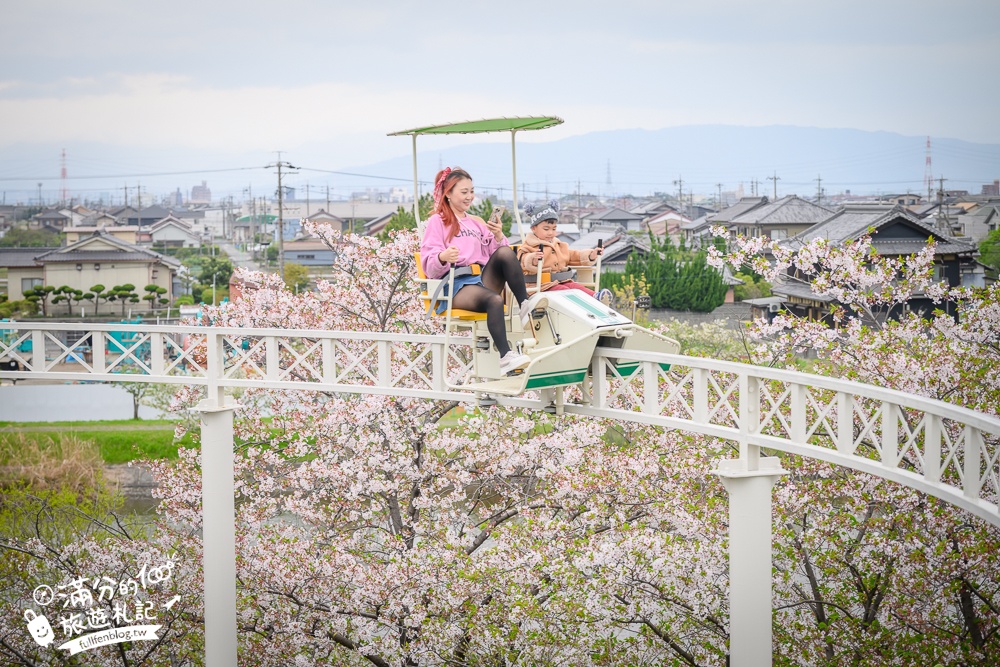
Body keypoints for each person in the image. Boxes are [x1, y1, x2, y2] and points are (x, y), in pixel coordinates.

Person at [420, 167, 547, 375]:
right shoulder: (439, 221)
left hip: (479, 278)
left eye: (472, 191)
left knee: (505, 251)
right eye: (464, 192)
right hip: (457, 284)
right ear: (448, 194)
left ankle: (525, 304)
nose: (469, 197)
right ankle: (505, 356)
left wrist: (497, 237)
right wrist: (443, 256)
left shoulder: (475, 223)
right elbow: (430, 262)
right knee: (494, 300)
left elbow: (492, 255)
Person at [517, 201, 606, 297]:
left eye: (554, 229)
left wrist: (591, 255)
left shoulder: (558, 245)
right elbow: (521, 261)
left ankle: (595, 297)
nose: (550, 233)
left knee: (576, 287)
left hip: (562, 282)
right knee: (567, 292)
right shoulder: (528, 246)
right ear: (534, 228)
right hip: (540, 286)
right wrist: (532, 259)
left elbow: (572, 256)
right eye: (546, 229)